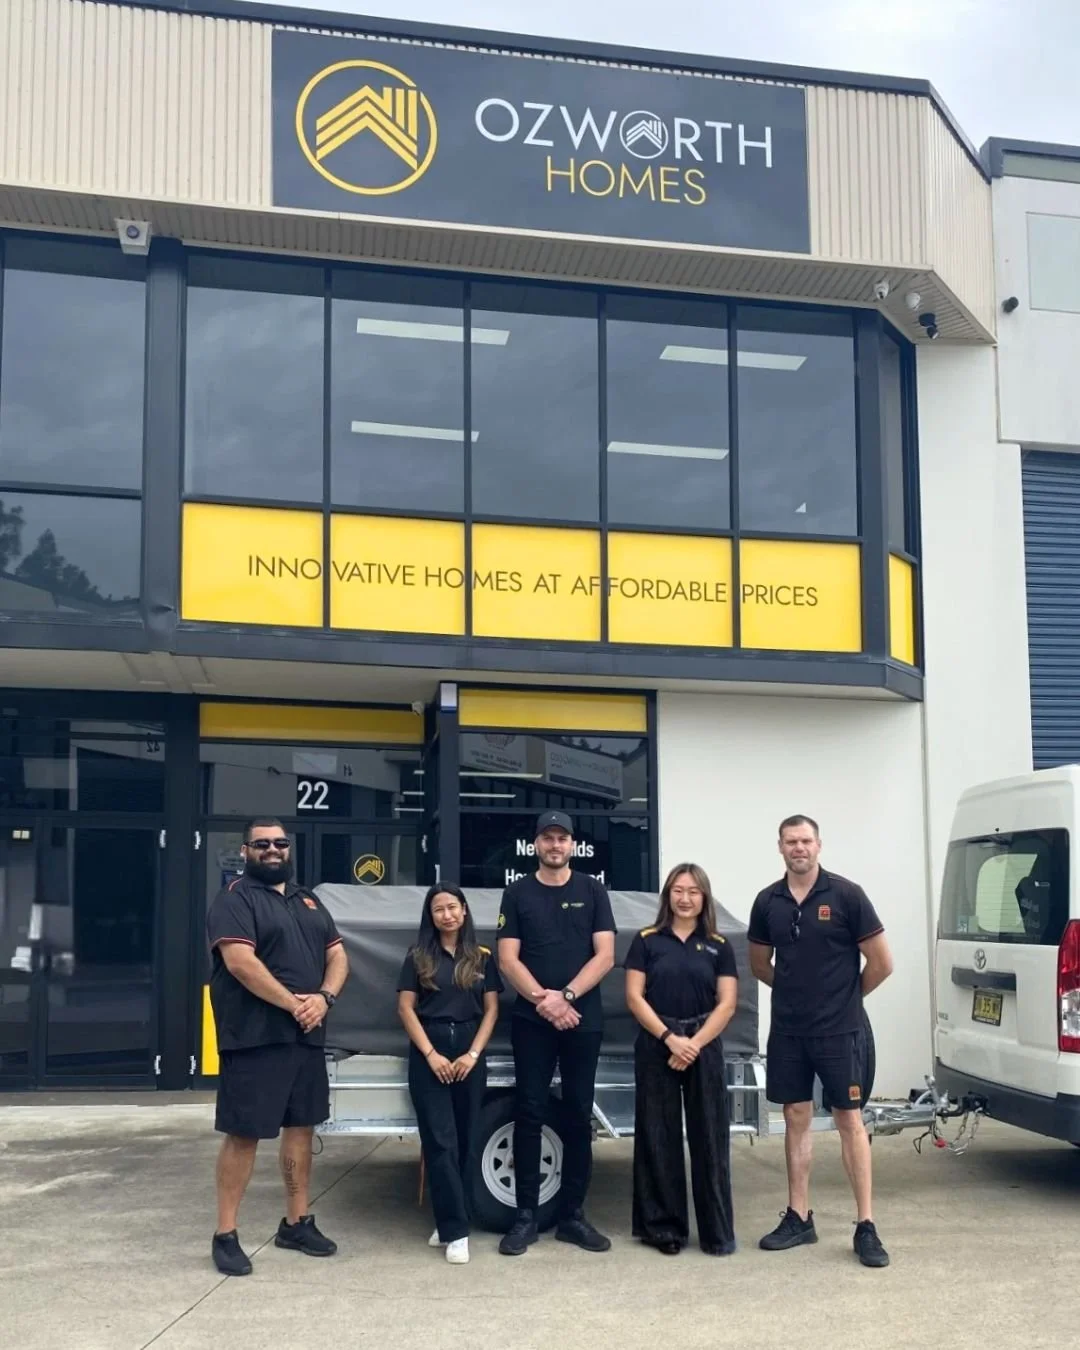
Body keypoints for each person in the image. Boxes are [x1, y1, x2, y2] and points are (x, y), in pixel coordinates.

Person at [748, 814, 894, 1268]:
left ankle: (866, 1225)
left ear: (819, 845)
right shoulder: (766, 901)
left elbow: (882, 962)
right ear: (780, 847)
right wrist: (797, 995)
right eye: (791, 841)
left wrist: (845, 999)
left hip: (839, 1030)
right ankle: (799, 1216)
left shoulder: (847, 895)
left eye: (806, 840)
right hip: (789, 1031)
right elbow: (759, 964)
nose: (799, 848)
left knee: (850, 1119)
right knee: (795, 1117)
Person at [205, 817, 349, 1276]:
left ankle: (295, 1223)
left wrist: (324, 999)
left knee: (302, 1129)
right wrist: (294, 1004)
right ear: (246, 851)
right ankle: (225, 1234)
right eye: (262, 844)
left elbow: (337, 954)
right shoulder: (235, 899)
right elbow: (241, 963)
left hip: (305, 1037)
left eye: (280, 843)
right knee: (244, 1134)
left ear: (290, 848)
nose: (272, 849)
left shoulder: (308, 899)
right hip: (253, 1038)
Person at [496, 810, 616, 1256]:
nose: (554, 845)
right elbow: (508, 959)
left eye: (561, 838)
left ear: (572, 845)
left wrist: (564, 997)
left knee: (578, 1114)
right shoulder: (517, 893)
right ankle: (525, 1216)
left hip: (582, 1020)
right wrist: (543, 1002)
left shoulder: (593, 890)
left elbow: (605, 956)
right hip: (532, 1022)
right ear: (536, 845)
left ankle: (572, 1217)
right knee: (529, 1111)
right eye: (547, 838)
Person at [625, 863, 739, 1257]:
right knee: (659, 1136)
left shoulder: (720, 947)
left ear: (704, 897)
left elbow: (726, 1005)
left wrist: (694, 1043)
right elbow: (634, 997)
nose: (685, 898)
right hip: (658, 1044)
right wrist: (671, 1039)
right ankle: (664, 1229)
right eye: (678, 890)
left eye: (693, 891)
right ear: (667, 895)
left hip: (704, 1045)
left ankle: (717, 1233)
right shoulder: (646, 941)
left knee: (710, 1138)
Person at [397, 883, 502, 1266]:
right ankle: (457, 1233)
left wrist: (473, 1053)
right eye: (439, 909)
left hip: (469, 1055)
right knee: (439, 1143)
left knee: (466, 1141)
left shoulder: (482, 958)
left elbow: (491, 1010)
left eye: (452, 907)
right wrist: (431, 1055)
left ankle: (449, 1220)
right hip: (431, 1054)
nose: (447, 915)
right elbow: (406, 1009)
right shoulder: (417, 957)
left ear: (464, 911)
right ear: (431, 915)